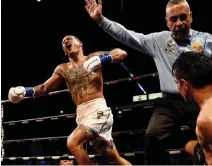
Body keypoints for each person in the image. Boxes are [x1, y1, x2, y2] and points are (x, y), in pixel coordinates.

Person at [85, 0, 212, 164]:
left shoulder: (205, 39)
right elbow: (127, 36)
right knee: (152, 135)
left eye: (183, 17)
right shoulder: (158, 40)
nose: (179, 23)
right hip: (170, 102)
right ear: (167, 22)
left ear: (191, 17)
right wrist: (101, 20)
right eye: (174, 19)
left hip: (201, 100)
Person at [7, 35, 131, 165]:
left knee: (73, 142)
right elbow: (44, 88)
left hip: (98, 111)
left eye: (70, 38)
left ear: (80, 44)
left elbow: (121, 53)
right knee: (113, 159)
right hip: (82, 115)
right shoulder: (62, 69)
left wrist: (102, 59)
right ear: (65, 51)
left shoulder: (93, 57)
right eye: (63, 42)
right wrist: (24, 91)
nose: (66, 40)